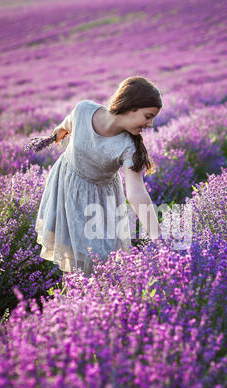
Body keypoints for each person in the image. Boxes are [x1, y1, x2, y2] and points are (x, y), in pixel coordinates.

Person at [34, 76, 163, 277]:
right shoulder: (84, 109)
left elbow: (137, 193)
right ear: (130, 107)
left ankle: (96, 300)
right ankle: (76, 296)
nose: (150, 124)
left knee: (99, 260)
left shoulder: (129, 147)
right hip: (67, 185)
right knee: (72, 251)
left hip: (99, 203)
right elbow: (67, 124)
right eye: (148, 116)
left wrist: (157, 236)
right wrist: (57, 133)